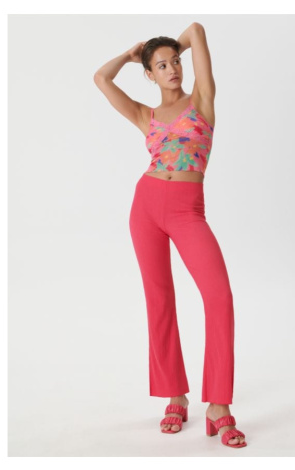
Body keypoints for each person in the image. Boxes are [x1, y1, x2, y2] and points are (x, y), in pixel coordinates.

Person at [94, 22, 247, 449]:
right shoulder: (144, 115)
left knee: (219, 297)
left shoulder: (202, 100)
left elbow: (196, 29)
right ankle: (174, 396)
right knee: (159, 299)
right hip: (145, 207)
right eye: (161, 66)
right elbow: (101, 78)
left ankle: (218, 406)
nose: (173, 68)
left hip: (186, 211)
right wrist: (134, 56)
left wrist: (165, 47)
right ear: (149, 74)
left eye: (176, 62)